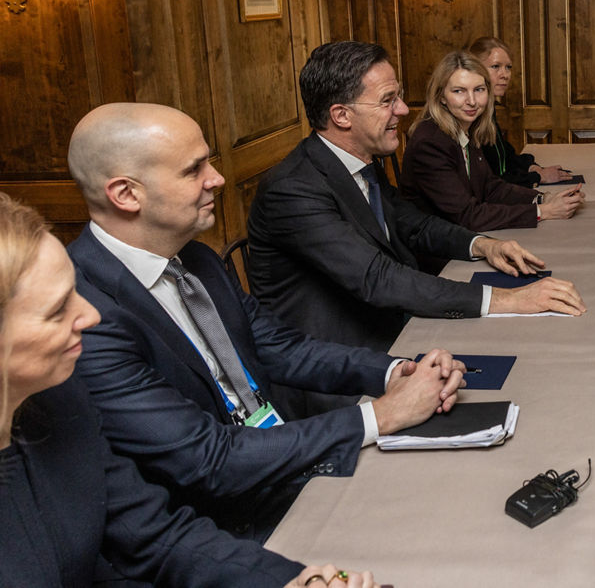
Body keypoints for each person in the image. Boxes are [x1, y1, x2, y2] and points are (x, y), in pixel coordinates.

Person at [66, 102, 468, 541]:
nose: (217, 179)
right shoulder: (84, 312)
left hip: (277, 469)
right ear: (125, 194)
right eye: (193, 169)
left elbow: (279, 346)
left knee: (454, 498)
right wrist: (380, 416)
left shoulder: (195, 257)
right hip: (211, 529)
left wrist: (395, 372)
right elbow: (208, 460)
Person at [0, 193, 378, 588]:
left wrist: (293, 581)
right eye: (58, 309)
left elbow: (156, 538)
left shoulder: (62, 402)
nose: (90, 315)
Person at [247, 41, 586, 357]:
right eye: (387, 100)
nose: (402, 110)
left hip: (392, 326)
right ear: (341, 116)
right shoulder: (292, 190)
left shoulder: (362, 163)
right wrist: (509, 299)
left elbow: (413, 224)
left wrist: (483, 245)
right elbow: (379, 279)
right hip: (345, 360)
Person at [400, 50, 585, 231]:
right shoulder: (430, 143)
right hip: (441, 255)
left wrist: (543, 198)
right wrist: (543, 212)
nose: (472, 101)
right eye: (459, 91)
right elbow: (468, 216)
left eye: (479, 90)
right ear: (441, 97)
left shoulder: (466, 127)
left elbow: (491, 187)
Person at [468, 36, 570, 187]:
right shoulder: (469, 114)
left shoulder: (489, 108)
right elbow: (490, 180)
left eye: (508, 67)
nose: (505, 75)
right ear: (474, 69)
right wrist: (536, 177)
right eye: (496, 66)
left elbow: (504, 155)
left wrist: (530, 167)